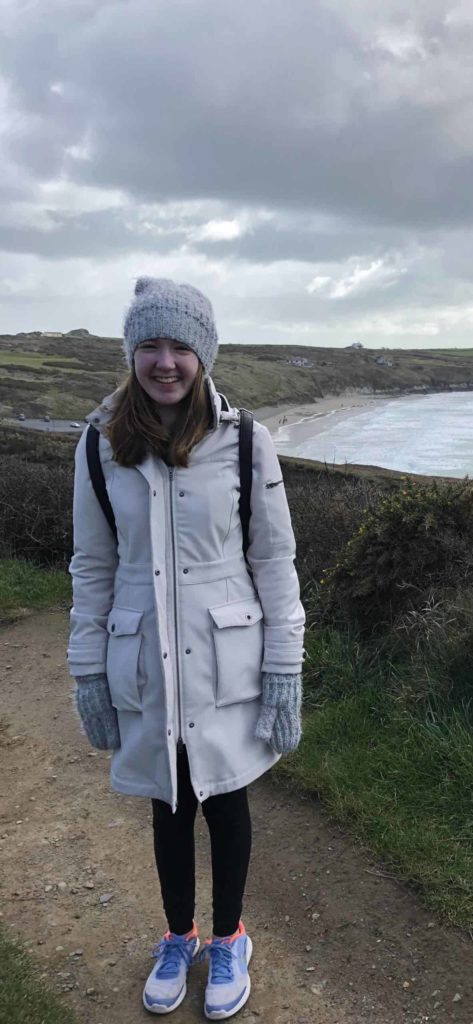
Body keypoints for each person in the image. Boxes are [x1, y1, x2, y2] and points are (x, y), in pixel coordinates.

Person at [67, 277, 305, 1020]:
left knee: (225, 800)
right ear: (131, 352)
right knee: (168, 807)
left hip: (226, 663)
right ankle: (182, 937)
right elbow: (93, 565)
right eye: (149, 345)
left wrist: (285, 668)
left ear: (202, 355)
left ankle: (231, 938)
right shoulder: (99, 443)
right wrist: (85, 671)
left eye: (179, 347)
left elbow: (275, 562)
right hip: (143, 661)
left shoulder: (246, 444)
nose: (164, 361)